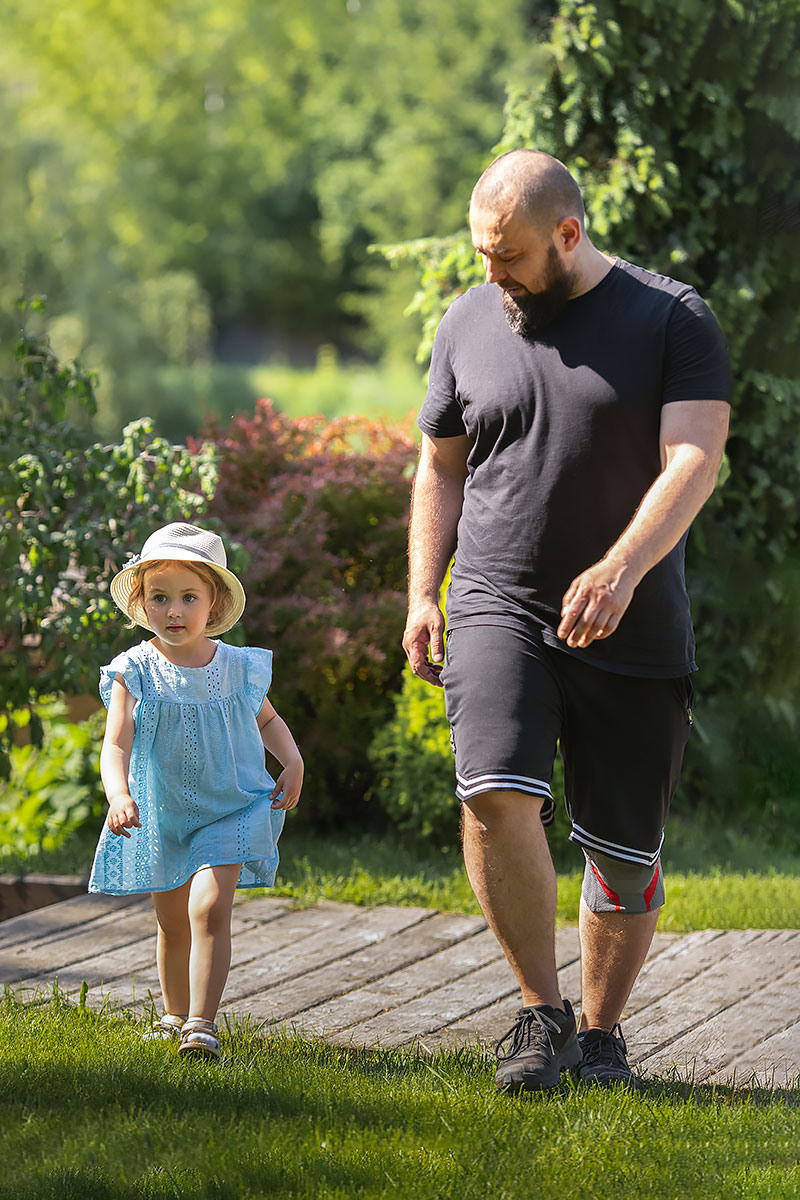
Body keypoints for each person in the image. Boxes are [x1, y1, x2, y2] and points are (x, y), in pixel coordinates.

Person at [402, 149, 730, 1092]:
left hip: (632, 614)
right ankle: (539, 1016)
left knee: (624, 854)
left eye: (508, 255)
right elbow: (441, 465)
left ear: (568, 234)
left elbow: (695, 458)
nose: (491, 272)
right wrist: (424, 591)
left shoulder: (672, 317)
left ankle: (600, 1034)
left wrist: (622, 569)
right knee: (491, 791)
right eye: (481, 252)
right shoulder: (467, 321)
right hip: (496, 600)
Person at [89, 522, 303, 1060]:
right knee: (171, 920)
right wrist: (118, 794)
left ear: (214, 603)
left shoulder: (236, 667)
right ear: (142, 603)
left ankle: (201, 1026)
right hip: (162, 813)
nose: (174, 611)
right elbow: (115, 743)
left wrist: (293, 760)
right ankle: (173, 1014)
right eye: (160, 597)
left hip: (231, 805)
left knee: (208, 909)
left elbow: (268, 720)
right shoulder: (135, 670)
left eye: (189, 597)